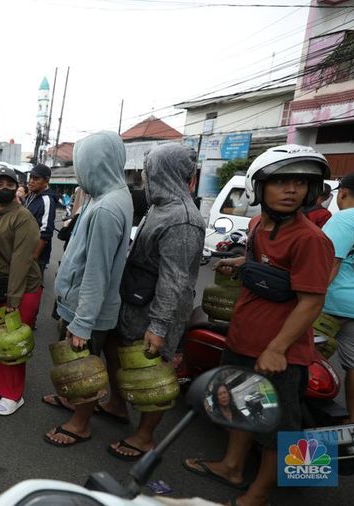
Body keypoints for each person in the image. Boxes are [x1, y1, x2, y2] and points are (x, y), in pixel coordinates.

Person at [183, 145, 334, 506]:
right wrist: (240, 263)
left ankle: (258, 494)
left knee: (277, 426)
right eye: (281, 181)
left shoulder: (311, 240)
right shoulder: (256, 225)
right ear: (259, 187)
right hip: (243, 339)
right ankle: (232, 466)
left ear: (311, 191)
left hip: (278, 353)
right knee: (239, 406)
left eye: (300, 183)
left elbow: (312, 301)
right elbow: (263, 261)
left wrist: (277, 348)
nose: (291, 189)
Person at [96, 144, 205, 461]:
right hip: (136, 300)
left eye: (149, 171)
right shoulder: (161, 207)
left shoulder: (183, 219)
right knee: (115, 348)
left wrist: (159, 326)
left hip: (160, 309)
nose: (144, 176)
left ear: (163, 172)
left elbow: (176, 280)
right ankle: (118, 405)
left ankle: (145, 436)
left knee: (153, 371)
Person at [42, 131, 133, 447]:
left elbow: (97, 273)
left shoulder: (108, 208)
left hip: (87, 309)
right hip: (83, 304)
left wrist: (82, 323)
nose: (80, 174)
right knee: (78, 363)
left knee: (84, 367)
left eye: (83, 166)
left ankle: (80, 424)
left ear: (98, 164)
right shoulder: (107, 196)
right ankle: (74, 403)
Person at [0, 167, 42, 416]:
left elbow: (21, 261)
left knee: (11, 342)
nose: (4, 188)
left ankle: (13, 394)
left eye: (9, 184)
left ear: (17, 187)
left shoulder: (23, 218)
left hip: (20, 288)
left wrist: (13, 300)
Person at [322, 172, 354, 424]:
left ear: (343, 193)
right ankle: (353, 421)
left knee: (304, 358)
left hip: (330, 304)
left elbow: (328, 264)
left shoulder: (345, 218)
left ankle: (298, 409)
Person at [23, 163, 58, 275]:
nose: (31, 181)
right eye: (31, 177)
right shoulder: (30, 195)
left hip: (36, 255)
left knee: (32, 288)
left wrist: (34, 257)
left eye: (36, 178)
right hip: (24, 250)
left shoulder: (47, 200)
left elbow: (46, 231)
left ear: (46, 181)